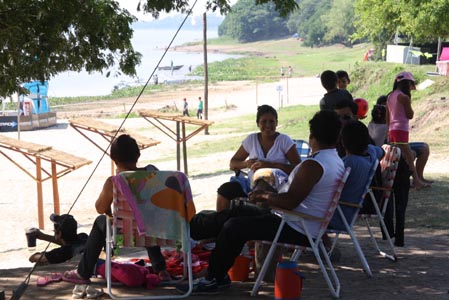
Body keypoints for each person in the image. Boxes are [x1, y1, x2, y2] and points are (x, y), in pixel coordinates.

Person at [178, 110, 344, 295]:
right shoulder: (334, 160)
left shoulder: (314, 165)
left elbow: (289, 202)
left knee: (234, 226)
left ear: (312, 135)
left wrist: (264, 196)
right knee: (236, 214)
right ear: (336, 137)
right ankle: (195, 232)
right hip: (299, 221)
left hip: (296, 226)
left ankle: (211, 274)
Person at [62, 135, 172, 286]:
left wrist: (108, 210)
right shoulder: (153, 172)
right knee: (146, 218)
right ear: (138, 155)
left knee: (101, 221)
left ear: (113, 158)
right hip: (156, 231)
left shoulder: (113, 182)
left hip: (124, 235)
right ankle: (161, 270)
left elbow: (99, 208)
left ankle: (83, 272)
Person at [215, 105, 301, 212]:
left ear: (277, 123)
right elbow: (233, 163)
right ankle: (220, 221)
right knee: (225, 190)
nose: (268, 125)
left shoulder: (284, 141)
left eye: (271, 121)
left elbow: (298, 169)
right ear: (257, 123)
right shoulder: (251, 140)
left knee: (262, 189)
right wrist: (247, 164)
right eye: (263, 122)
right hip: (251, 184)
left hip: (276, 189)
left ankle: (253, 221)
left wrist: (270, 165)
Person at [386, 71, 430, 190]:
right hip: (401, 130)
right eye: (411, 85)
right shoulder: (404, 97)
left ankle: (411, 181)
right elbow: (410, 115)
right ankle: (416, 181)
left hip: (392, 130)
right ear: (407, 84)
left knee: (398, 157)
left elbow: (388, 116)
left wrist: (388, 130)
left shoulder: (390, 96)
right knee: (409, 156)